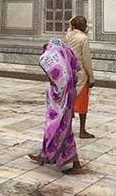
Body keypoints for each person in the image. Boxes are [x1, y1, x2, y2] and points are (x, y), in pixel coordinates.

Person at [29, 38, 83, 174]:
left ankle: (76, 163)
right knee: (52, 126)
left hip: (59, 100)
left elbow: (53, 79)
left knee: (63, 130)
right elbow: (75, 70)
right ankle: (44, 155)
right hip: (68, 96)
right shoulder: (65, 55)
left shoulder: (49, 58)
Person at [65, 16, 95, 139]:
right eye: (84, 24)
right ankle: (82, 130)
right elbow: (86, 60)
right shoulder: (83, 38)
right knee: (82, 104)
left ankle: (67, 130)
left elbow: (69, 24)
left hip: (69, 72)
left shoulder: (69, 35)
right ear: (81, 25)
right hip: (81, 74)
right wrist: (91, 78)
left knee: (70, 102)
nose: (86, 26)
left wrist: (72, 23)